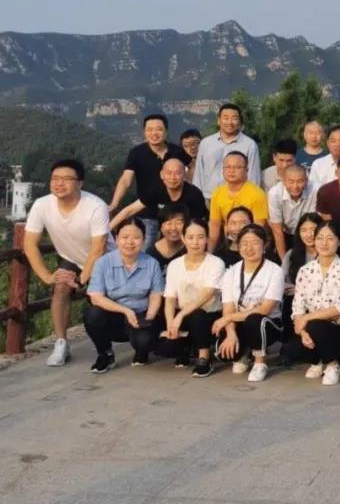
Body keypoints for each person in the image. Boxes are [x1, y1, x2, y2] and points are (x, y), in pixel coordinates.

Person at [24, 158, 114, 367]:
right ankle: (61, 344)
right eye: (55, 178)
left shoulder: (95, 206)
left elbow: (99, 248)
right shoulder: (42, 205)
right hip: (71, 258)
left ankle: (114, 345)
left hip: (106, 261)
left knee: (100, 305)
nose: (59, 183)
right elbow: (29, 244)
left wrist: (82, 280)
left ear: (80, 183)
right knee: (60, 288)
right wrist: (48, 277)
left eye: (66, 179)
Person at [281, 221, 340, 386]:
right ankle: (317, 361)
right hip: (312, 329)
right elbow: (297, 308)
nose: (324, 243)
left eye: (330, 238)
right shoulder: (305, 270)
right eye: (320, 238)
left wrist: (307, 318)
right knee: (291, 349)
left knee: (316, 325)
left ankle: (332, 365)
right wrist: (302, 331)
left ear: (339, 242)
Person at [84, 218, 165, 372]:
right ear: (116, 239)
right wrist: (125, 311)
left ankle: (141, 351)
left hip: (140, 316)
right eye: (125, 237)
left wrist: (149, 317)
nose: (130, 242)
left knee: (145, 341)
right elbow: (96, 297)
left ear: (143, 239)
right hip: (113, 317)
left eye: (136, 237)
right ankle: (105, 354)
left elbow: (156, 294)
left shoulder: (151, 263)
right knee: (92, 314)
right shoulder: (103, 263)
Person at [213, 224, 286, 383]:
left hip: (267, 322)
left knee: (254, 319)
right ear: (238, 247)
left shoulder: (274, 271)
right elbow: (228, 308)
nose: (249, 248)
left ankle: (260, 362)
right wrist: (231, 334)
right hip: (239, 321)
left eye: (255, 243)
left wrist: (227, 319)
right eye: (244, 243)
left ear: (264, 245)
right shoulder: (231, 272)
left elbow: (265, 309)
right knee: (223, 353)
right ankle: (245, 353)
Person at [108, 114, 191, 248]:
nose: (154, 133)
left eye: (159, 129)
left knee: (176, 249)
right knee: (145, 250)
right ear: (144, 132)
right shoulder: (137, 153)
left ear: (166, 131)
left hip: (173, 213)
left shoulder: (177, 152)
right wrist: (114, 204)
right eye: (150, 130)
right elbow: (126, 180)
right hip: (146, 211)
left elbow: (191, 168)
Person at [158, 217, 225, 377]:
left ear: (207, 239)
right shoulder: (175, 265)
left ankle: (204, 358)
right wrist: (171, 325)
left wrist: (180, 315)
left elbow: (207, 294)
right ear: (183, 238)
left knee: (197, 315)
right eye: (190, 237)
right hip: (182, 315)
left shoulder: (216, 263)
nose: (195, 242)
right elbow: (170, 298)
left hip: (208, 316)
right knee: (165, 347)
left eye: (200, 237)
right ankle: (186, 348)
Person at [109, 158, 208, 231]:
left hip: (189, 232)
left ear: (184, 175)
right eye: (168, 173)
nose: (173, 177)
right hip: (165, 230)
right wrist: (108, 229)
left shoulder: (194, 194)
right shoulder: (155, 190)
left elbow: (200, 223)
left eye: (177, 173)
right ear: (161, 175)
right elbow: (129, 210)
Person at [191, 103, 261, 196]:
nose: (230, 122)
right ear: (219, 120)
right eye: (226, 118)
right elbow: (198, 175)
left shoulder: (249, 145)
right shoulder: (206, 143)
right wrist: (196, 198)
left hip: (238, 198)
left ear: (240, 122)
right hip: (208, 197)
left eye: (234, 118)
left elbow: (253, 177)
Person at [208, 151, 269, 249]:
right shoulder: (217, 193)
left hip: (250, 242)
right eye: (228, 167)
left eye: (237, 167)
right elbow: (214, 224)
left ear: (246, 170)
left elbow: (259, 227)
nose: (231, 171)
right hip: (227, 241)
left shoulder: (257, 194)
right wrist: (209, 251)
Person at [280, 212, 320, 343]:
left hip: (319, 303)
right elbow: (281, 281)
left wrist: (300, 289)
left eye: (313, 229)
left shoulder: (327, 254)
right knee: (290, 300)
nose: (308, 234)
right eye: (304, 230)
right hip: (295, 303)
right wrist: (293, 289)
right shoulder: (291, 254)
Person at [267, 164, 317, 261]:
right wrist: (284, 262)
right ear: (283, 181)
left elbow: (315, 222)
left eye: (300, 181)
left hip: (310, 233)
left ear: (306, 181)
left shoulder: (315, 189)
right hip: (285, 233)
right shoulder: (274, 193)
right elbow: (277, 230)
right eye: (291, 182)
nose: (295, 186)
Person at [145, 204, 188, 271]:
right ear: (161, 227)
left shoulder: (190, 249)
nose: (173, 228)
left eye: (178, 223)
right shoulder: (151, 253)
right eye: (168, 223)